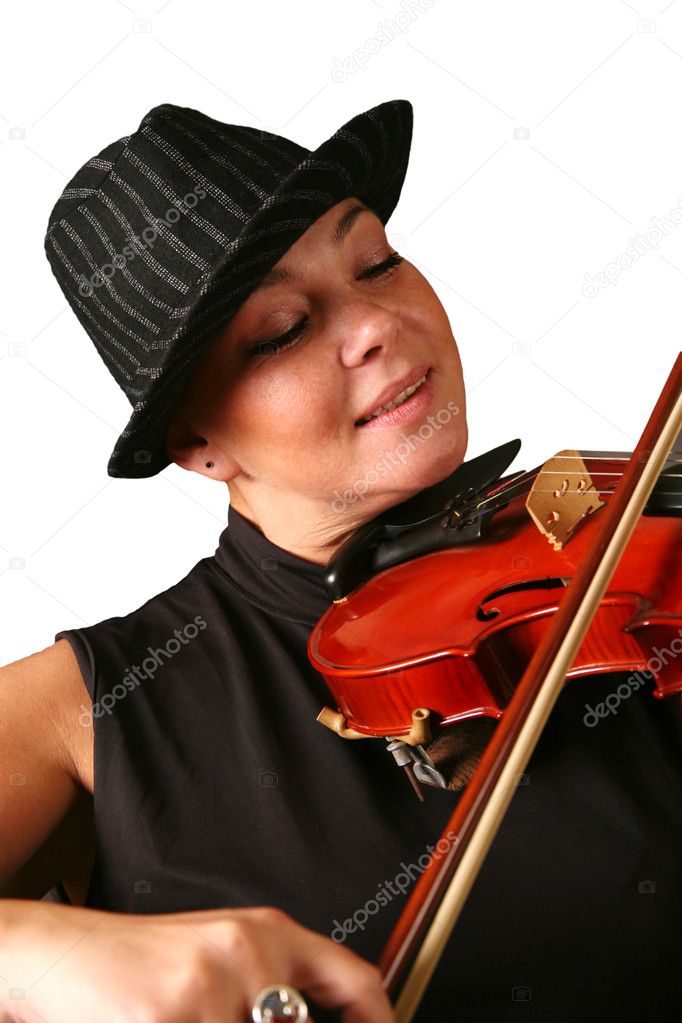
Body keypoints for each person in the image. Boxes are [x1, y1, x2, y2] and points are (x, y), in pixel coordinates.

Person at [1, 98, 681, 1023]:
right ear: (197, 441)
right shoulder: (89, 703)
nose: (375, 323)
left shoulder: (621, 571)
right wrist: (43, 958)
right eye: (283, 328)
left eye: (377, 262)